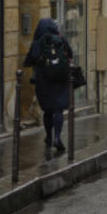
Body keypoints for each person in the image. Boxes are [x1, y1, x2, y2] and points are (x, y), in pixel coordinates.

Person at [22, 17, 74, 153]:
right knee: (58, 110)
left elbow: (28, 61)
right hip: (60, 79)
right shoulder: (60, 39)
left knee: (48, 110)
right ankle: (57, 137)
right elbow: (71, 53)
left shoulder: (37, 43)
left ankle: (49, 137)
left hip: (43, 81)